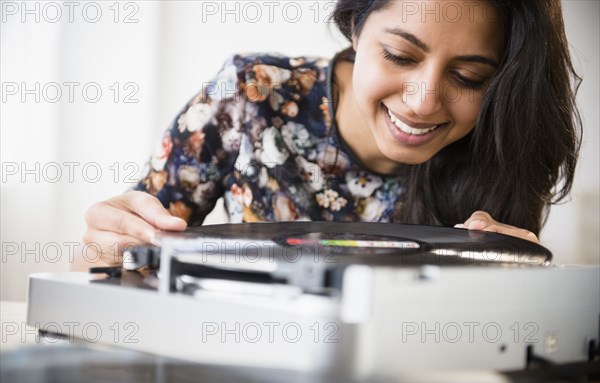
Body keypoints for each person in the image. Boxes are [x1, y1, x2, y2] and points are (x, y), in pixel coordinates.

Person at [82, 0, 581, 266]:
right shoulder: (248, 90)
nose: (423, 101)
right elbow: (114, 268)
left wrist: (519, 279)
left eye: (469, 78)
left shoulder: (506, 138)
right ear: (355, 27)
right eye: (400, 56)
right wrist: (104, 246)